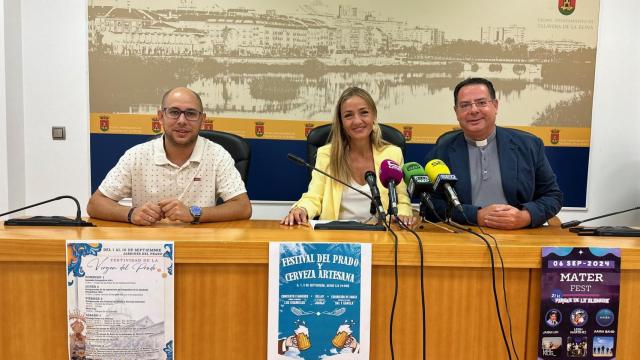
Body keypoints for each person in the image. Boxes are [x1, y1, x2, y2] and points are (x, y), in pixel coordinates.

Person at [87, 87, 251, 225]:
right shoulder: (136, 155)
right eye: (174, 112)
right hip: (147, 249)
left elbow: (243, 207)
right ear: (160, 117)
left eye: (191, 114)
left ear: (202, 119)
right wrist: (131, 214)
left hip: (199, 244)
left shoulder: (217, 155)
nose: (182, 121)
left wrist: (194, 213)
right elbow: (95, 204)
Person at [425, 77, 562, 229]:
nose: (474, 110)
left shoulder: (528, 145)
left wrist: (525, 216)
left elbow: (552, 196)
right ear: (456, 112)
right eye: (464, 105)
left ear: (495, 106)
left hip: (519, 235)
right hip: (465, 234)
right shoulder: (442, 151)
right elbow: (431, 204)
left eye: (482, 103)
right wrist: (476, 216)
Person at [281, 87, 414, 226]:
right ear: (341, 122)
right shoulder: (327, 155)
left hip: (380, 237)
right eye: (348, 115)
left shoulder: (392, 154)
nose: (357, 121)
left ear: (374, 115)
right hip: (337, 238)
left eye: (364, 113)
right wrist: (301, 209)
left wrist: (403, 215)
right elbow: (314, 196)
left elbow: (401, 200)